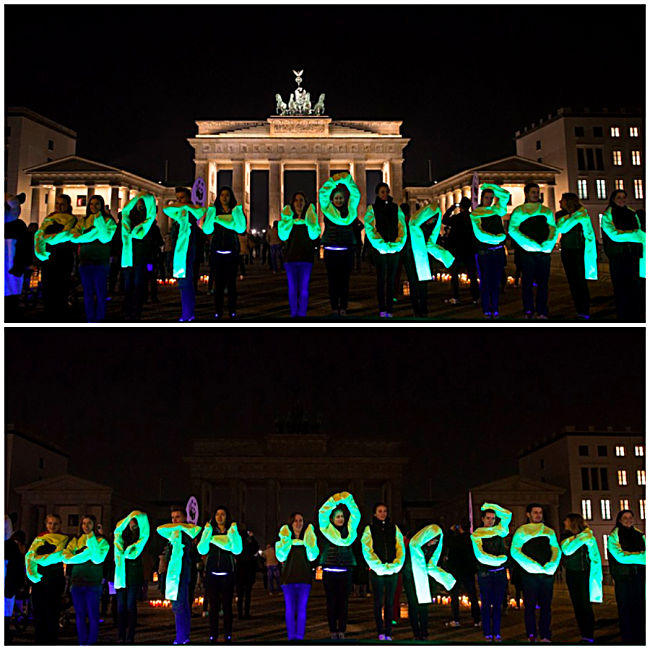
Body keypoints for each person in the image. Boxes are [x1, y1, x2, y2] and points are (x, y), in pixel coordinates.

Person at [510, 503, 562, 642]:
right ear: (528, 514)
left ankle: (545, 634)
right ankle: (531, 634)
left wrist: (551, 565)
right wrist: (532, 566)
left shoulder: (549, 531)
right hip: (529, 575)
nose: (538, 515)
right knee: (530, 606)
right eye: (535, 512)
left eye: (540, 512)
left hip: (546, 575)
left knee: (546, 606)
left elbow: (556, 549)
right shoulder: (522, 531)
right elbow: (515, 551)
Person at [508, 183, 557, 319]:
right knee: (527, 282)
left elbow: (553, 228)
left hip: (543, 253)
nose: (535, 194)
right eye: (533, 192)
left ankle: (542, 311)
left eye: (537, 192)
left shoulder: (545, 211)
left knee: (543, 283)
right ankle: (528, 310)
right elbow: (513, 229)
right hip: (527, 253)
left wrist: (548, 244)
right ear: (527, 194)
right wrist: (529, 244)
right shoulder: (519, 211)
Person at [317, 492, 361, 640]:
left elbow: (356, 514)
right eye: (337, 516)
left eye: (342, 516)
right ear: (332, 518)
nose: (340, 519)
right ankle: (332, 630)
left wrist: (349, 500)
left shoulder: (350, 530)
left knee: (343, 602)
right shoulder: (326, 529)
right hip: (330, 569)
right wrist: (336, 500)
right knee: (331, 601)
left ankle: (341, 629)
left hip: (346, 569)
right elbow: (322, 512)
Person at [62, 514, 110, 646]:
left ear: (94, 524)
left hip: (93, 583)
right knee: (80, 615)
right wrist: (83, 555)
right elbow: (66, 556)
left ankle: (91, 642)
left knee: (93, 615)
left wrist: (80, 554)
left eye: (89, 523)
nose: (86, 526)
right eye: (84, 523)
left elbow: (98, 558)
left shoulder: (101, 541)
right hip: (77, 582)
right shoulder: (76, 540)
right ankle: (82, 642)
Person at [197, 506, 242, 643]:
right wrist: (206, 532)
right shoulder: (210, 532)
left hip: (227, 573)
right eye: (217, 514)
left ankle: (228, 634)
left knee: (227, 606)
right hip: (212, 574)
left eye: (222, 514)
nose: (220, 517)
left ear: (227, 516)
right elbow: (202, 549)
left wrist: (233, 533)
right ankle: (213, 634)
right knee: (213, 606)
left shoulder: (231, 531)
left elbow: (237, 549)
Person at [157, 506, 201, 645]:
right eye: (172, 518)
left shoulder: (184, 534)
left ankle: (181, 637)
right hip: (177, 573)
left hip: (180, 574)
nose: (174, 520)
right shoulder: (174, 535)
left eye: (178, 517)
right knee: (183, 606)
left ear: (184, 518)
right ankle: (184, 636)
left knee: (179, 606)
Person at [361, 502, 405, 640]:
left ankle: (388, 631)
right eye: (380, 511)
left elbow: (400, 546)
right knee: (378, 601)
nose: (383, 513)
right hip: (377, 570)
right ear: (375, 513)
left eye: (385, 511)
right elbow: (367, 548)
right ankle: (380, 630)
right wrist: (377, 565)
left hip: (392, 569)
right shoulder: (370, 529)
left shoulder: (394, 528)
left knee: (390, 602)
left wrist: (396, 563)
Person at [318, 172, 361, 317]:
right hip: (331, 249)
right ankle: (334, 306)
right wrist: (335, 180)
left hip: (346, 249)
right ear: (332, 199)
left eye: (341, 198)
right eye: (336, 198)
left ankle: (343, 307)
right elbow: (323, 193)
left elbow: (356, 195)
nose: (338, 200)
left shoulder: (350, 210)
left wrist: (348, 181)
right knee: (332, 280)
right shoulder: (327, 209)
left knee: (344, 280)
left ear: (344, 199)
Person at [70, 194, 117, 323]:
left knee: (101, 293)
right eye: (91, 204)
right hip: (85, 260)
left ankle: (100, 318)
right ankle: (90, 319)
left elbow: (105, 238)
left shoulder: (108, 221)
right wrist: (92, 234)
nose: (93, 206)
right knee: (88, 293)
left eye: (96, 204)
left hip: (100, 261)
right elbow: (74, 236)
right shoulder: (83, 220)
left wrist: (90, 232)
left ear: (102, 205)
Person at [201, 187, 246, 320]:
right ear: (218, 197)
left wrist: (236, 211)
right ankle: (218, 311)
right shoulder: (214, 212)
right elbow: (207, 230)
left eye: (227, 195)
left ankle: (232, 311)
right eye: (222, 195)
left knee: (232, 285)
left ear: (231, 197)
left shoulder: (235, 211)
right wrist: (210, 213)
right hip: (216, 253)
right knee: (218, 285)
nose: (224, 197)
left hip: (231, 252)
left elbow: (241, 228)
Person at [364, 183, 407, 317]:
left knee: (391, 279)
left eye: (386, 191)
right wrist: (381, 245)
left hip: (394, 248)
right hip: (380, 249)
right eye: (382, 192)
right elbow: (370, 228)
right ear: (378, 193)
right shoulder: (372, 208)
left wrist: (398, 243)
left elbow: (402, 226)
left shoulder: (395, 207)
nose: (385, 194)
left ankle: (389, 308)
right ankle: (382, 308)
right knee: (381, 279)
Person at [470, 503, 512, 642]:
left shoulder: (499, 531)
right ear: (482, 519)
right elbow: (480, 555)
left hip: (498, 572)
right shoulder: (478, 534)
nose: (490, 521)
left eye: (493, 518)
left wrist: (490, 505)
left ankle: (497, 632)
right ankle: (488, 631)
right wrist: (501, 559)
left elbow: (507, 514)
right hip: (486, 573)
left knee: (498, 603)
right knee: (487, 603)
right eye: (488, 518)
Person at [601, 190, 645, 321]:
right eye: (619, 197)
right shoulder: (608, 214)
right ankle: (623, 316)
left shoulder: (632, 213)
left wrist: (627, 234)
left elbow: (638, 232)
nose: (622, 199)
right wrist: (634, 234)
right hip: (618, 255)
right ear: (613, 199)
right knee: (621, 288)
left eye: (624, 197)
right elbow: (614, 235)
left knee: (633, 287)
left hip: (633, 254)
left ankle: (633, 315)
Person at [25, 514, 69, 644]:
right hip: (39, 581)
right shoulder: (39, 539)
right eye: (50, 523)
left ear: (60, 524)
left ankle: (51, 642)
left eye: (55, 523)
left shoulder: (64, 539)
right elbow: (29, 556)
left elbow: (58, 556)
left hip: (54, 581)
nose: (52, 526)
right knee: (39, 614)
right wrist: (32, 575)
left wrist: (38, 559)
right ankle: (39, 641)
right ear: (46, 524)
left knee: (52, 614)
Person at [276, 512, 319, 641]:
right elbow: (280, 557)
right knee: (289, 610)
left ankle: (299, 637)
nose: (299, 523)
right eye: (296, 521)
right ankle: (291, 637)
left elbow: (313, 556)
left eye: (301, 520)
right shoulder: (285, 541)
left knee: (301, 610)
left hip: (304, 579)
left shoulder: (307, 540)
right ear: (291, 523)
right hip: (288, 579)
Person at [33, 193, 76, 321]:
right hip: (48, 258)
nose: (59, 206)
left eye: (62, 204)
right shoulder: (49, 218)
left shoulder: (71, 219)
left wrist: (46, 238)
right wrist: (40, 251)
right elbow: (39, 234)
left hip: (63, 257)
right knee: (48, 289)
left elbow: (65, 234)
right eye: (57, 203)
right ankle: (49, 315)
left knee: (61, 289)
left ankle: (60, 317)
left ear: (68, 205)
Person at [470, 184, 511, 319]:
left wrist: (491, 186)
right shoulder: (476, 213)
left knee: (496, 281)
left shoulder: (497, 211)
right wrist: (500, 237)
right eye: (487, 197)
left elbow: (504, 194)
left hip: (497, 251)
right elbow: (480, 234)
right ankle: (487, 309)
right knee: (486, 281)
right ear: (482, 198)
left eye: (491, 197)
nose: (489, 200)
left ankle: (495, 308)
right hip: (485, 252)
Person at [555, 193, 598, 320]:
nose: (559, 201)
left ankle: (584, 310)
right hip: (568, 251)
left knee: (580, 282)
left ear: (568, 201)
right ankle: (581, 309)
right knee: (573, 282)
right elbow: (561, 229)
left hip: (580, 251)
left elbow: (588, 233)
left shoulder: (582, 215)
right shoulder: (561, 215)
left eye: (562, 200)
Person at [560, 513, 602, 643]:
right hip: (573, 573)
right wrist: (582, 538)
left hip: (585, 574)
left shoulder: (587, 537)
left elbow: (594, 555)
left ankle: (588, 634)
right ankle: (585, 634)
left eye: (566, 520)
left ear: (572, 522)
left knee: (585, 605)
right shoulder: (567, 537)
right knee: (578, 605)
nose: (564, 523)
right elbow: (567, 551)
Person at [164, 188, 204, 323]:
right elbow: (166, 209)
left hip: (187, 254)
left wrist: (185, 206)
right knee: (184, 285)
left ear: (189, 198)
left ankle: (187, 314)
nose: (179, 200)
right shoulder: (179, 215)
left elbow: (201, 210)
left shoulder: (190, 214)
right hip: (180, 254)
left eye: (182, 197)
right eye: (177, 198)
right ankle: (187, 313)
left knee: (186, 285)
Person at [278, 192, 320, 317]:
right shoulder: (288, 220)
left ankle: (302, 313)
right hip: (290, 257)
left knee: (304, 288)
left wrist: (311, 222)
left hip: (306, 257)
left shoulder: (310, 219)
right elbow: (283, 236)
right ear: (292, 203)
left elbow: (314, 236)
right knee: (292, 288)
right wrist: (287, 222)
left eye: (301, 200)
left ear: (305, 202)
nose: (299, 202)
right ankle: (293, 312)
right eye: (296, 200)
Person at [607, 510, 645, 644]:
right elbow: (619, 557)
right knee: (626, 610)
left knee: (641, 609)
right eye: (625, 517)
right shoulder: (614, 536)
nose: (628, 520)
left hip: (640, 577)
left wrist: (634, 557)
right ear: (619, 520)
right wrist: (641, 557)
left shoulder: (640, 535)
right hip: (623, 578)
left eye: (630, 517)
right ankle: (628, 640)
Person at [120, 193, 157, 322]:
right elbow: (124, 211)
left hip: (143, 257)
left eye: (142, 205)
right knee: (129, 285)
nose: (139, 206)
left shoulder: (149, 222)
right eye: (138, 204)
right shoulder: (127, 218)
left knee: (139, 284)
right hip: (128, 256)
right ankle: (129, 310)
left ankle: (137, 310)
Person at [114, 512, 149, 644]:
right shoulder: (120, 539)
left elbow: (137, 552)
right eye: (129, 525)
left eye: (134, 526)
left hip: (133, 575)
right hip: (120, 575)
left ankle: (130, 636)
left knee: (130, 605)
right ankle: (121, 635)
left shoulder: (140, 541)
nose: (131, 528)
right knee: (120, 606)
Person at [442, 197, 479, 305]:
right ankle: (475, 297)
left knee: (455, 274)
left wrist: (451, 208)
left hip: (457, 249)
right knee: (472, 274)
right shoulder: (472, 218)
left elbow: (444, 220)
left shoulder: (456, 218)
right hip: (470, 249)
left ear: (461, 207)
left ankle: (455, 296)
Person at [401, 529, 438, 640]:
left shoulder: (434, 549)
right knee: (413, 605)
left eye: (435, 540)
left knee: (423, 607)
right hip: (411, 579)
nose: (433, 542)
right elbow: (407, 564)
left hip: (425, 581)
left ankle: (424, 632)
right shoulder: (415, 546)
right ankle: (417, 633)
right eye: (431, 539)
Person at [444, 519, 481, 629]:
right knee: (472, 595)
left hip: (456, 570)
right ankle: (477, 619)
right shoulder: (472, 539)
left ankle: (456, 619)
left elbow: (446, 542)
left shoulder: (455, 539)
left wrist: (450, 531)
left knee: (455, 596)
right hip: (468, 570)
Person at [400, 203, 430, 317]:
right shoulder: (416, 223)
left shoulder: (402, 225)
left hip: (408, 254)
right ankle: (424, 309)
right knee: (422, 283)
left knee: (413, 283)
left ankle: (416, 310)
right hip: (420, 253)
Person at [235, 529, 259, 620]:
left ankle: (240, 613)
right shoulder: (250, 546)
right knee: (248, 594)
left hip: (239, 573)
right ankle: (246, 612)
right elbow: (256, 547)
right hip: (249, 573)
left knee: (240, 594)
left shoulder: (238, 547)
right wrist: (252, 537)